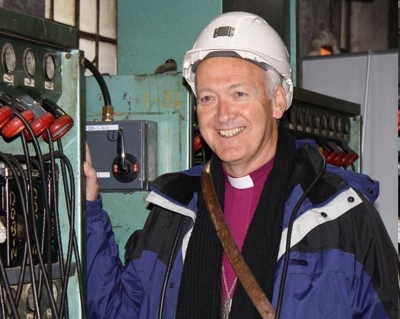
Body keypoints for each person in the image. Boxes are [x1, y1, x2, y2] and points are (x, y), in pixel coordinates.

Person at [84, 11, 398, 319]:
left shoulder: (342, 216)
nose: (222, 115)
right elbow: (120, 311)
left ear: (277, 101)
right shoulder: (175, 210)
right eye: (208, 98)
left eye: (239, 93)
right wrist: (91, 208)